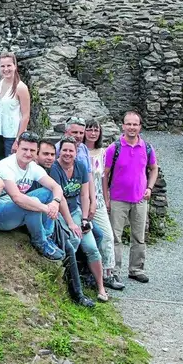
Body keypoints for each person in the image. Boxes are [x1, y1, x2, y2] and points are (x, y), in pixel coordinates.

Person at [50, 136, 113, 301]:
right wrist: (71, 224)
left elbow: (84, 194)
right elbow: (60, 197)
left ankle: (100, 287)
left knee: (92, 247)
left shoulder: (81, 166)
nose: (67, 153)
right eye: (64, 150)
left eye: (71, 150)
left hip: (76, 211)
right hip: (61, 213)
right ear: (59, 151)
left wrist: (84, 219)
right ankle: (69, 283)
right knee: (73, 243)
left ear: (76, 152)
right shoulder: (54, 169)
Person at [0, 134, 71, 262]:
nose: (28, 154)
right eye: (25, 149)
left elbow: (56, 187)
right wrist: (45, 208)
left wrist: (55, 203)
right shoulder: (6, 166)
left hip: (13, 209)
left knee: (49, 192)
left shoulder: (32, 167)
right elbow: (17, 197)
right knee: (33, 203)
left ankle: (46, 235)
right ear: (17, 146)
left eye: (32, 150)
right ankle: (40, 242)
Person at [104, 110, 159, 284]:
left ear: (140, 127)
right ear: (123, 126)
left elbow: (154, 168)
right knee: (115, 237)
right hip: (118, 198)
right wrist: (106, 197)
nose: (132, 127)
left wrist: (149, 188)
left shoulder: (147, 148)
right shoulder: (114, 148)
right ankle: (114, 270)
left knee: (139, 236)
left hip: (140, 198)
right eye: (128, 124)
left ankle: (136, 269)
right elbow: (105, 174)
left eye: (135, 124)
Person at [83, 120, 120, 281]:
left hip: (98, 199)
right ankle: (90, 271)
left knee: (107, 235)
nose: (92, 133)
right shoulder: (80, 151)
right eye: (89, 129)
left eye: (95, 130)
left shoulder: (103, 152)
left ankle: (108, 271)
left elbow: (105, 177)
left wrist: (106, 198)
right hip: (83, 200)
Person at [0, 52, 31, 162]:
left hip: (12, 135)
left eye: (9, 65)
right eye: (2, 66)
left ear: (15, 66)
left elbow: (26, 115)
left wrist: (18, 140)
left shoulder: (21, 87)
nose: (6, 69)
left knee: (11, 166)